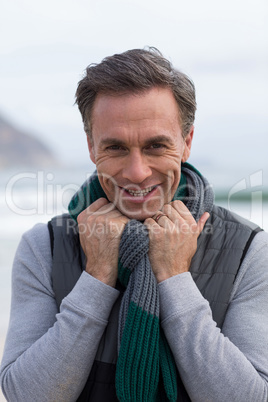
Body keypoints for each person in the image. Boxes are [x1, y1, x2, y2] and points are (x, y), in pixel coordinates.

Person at [1, 48, 268, 402]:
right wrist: (96, 275)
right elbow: (26, 395)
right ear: (92, 147)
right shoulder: (44, 247)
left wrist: (174, 277)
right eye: (115, 148)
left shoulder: (249, 250)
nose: (137, 171)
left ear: (186, 143)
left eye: (156, 146)